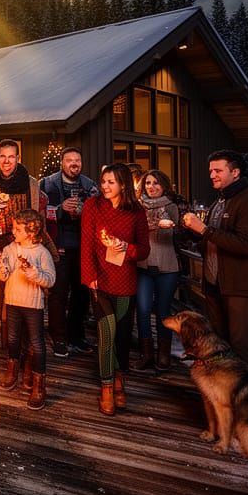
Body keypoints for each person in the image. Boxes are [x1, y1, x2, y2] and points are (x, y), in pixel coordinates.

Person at [181, 149, 248, 377]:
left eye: (218, 170)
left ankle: (246, 396)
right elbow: (212, 240)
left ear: (235, 172)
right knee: (220, 345)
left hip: (241, 287)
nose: (212, 175)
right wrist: (191, 231)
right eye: (211, 171)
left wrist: (204, 230)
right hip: (216, 286)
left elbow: (247, 245)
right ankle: (225, 392)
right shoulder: (220, 201)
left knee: (242, 349)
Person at [0, 140, 49, 372]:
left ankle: (24, 354)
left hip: (21, 250)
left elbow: (39, 217)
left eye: (11, 156)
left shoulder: (30, 184)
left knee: (22, 303)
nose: (6, 161)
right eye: (3, 156)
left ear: (18, 158)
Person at [81, 163, 150, 415]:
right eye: (103, 181)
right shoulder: (93, 205)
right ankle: (107, 386)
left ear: (123, 184)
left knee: (121, 335)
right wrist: (89, 275)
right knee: (106, 333)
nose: (105, 186)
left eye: (111, 182)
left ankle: (120, 378)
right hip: (99, 281)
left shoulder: (137, 211)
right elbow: (87, 243)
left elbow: (144, 249)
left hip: (125, 281)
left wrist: (127, 248)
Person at [0, 209, 56, 410]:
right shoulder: (10, 249)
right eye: (13, 228)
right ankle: (12, 371)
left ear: (31, 232)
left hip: (33, 304)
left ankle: (38, 383)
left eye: (17, 229)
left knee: (36, 344)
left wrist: (34, 274)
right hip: (12, 300)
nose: (13, 232)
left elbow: (50, 280)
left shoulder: (42, 253)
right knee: (12, 338)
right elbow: (4, 275)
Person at [39, 146, 98, 357]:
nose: (74, 164)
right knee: (58, 294)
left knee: (81, 295)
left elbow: (99, 214)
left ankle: (77, 336)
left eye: (77, 160)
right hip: (58, 247)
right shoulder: (46, 184)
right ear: (62, 163)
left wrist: (84, 211)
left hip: (83, 247)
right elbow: (40, 213)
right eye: (69, 160)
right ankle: (59, 338)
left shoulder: (90, 186)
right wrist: (61, 209)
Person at [133, 169, 182, 372]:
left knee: (163, 311)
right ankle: (146, 354)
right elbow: (135, 230)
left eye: (156, 183)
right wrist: (154, 223)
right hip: (143, 266)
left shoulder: (171, 206)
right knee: (143, 309)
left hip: (167, 266)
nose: (151, 187)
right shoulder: (137, 206)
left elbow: (175, 233)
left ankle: (164, 354)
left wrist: (167, 225)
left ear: (164, 186)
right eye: (148, 183)